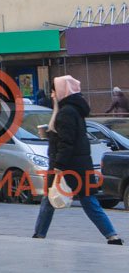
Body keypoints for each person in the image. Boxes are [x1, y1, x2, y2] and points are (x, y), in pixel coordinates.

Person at [32, 75, 123, 244]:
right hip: (79, 166)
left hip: (66, 166)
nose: (52, 94)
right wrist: (51, 134)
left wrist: (58, 165)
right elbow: (70, 137)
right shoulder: (73, 110)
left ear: (61, 91)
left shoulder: (65, 113)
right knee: (87, 200)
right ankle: (112, 235)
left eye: (53, 91)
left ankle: (39, 235)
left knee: (50, 199)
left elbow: (67, 142)